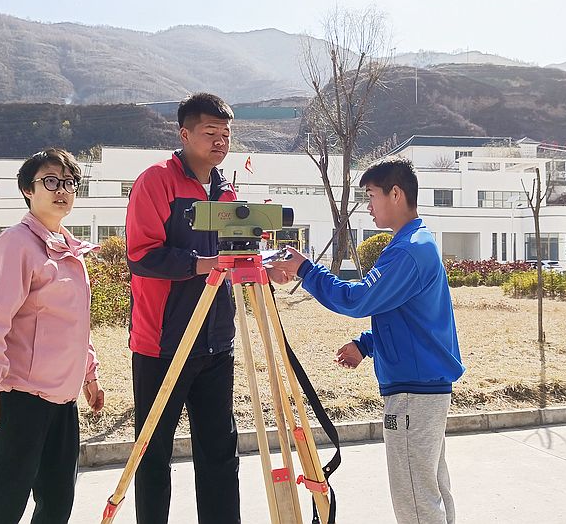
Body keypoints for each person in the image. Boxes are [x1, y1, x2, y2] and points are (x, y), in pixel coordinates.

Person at [270, 156, 464, 524]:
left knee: (416, 500)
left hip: (412, 394)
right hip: (424, 388)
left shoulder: (407, 251)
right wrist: (366, 344)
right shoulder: (415, 242)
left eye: (371, 196)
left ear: (396, 193)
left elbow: (357, 299)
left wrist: (305, 269)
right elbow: (410, 317)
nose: (369, 206)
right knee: (431, 492)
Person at [0, 148, 105, 524]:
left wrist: (89, 375)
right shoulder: (15, 245)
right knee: (2, 506)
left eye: (69, 183)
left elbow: (76, 324)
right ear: (28, 189)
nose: (62, 190)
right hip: (20, 400)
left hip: (63, 400)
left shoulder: (69, 250)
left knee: (56, 506)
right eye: (51, 181)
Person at [125, 93, 240, 523]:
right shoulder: (156, 181)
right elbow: (141, 255)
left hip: (216, 342)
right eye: (210, 132)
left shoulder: (226, 190)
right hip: (162, 343)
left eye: (226, 134)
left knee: (220, 452)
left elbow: (236, 255)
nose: (220, 141)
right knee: (153, 454)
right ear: (185, 134)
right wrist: (201, 264)